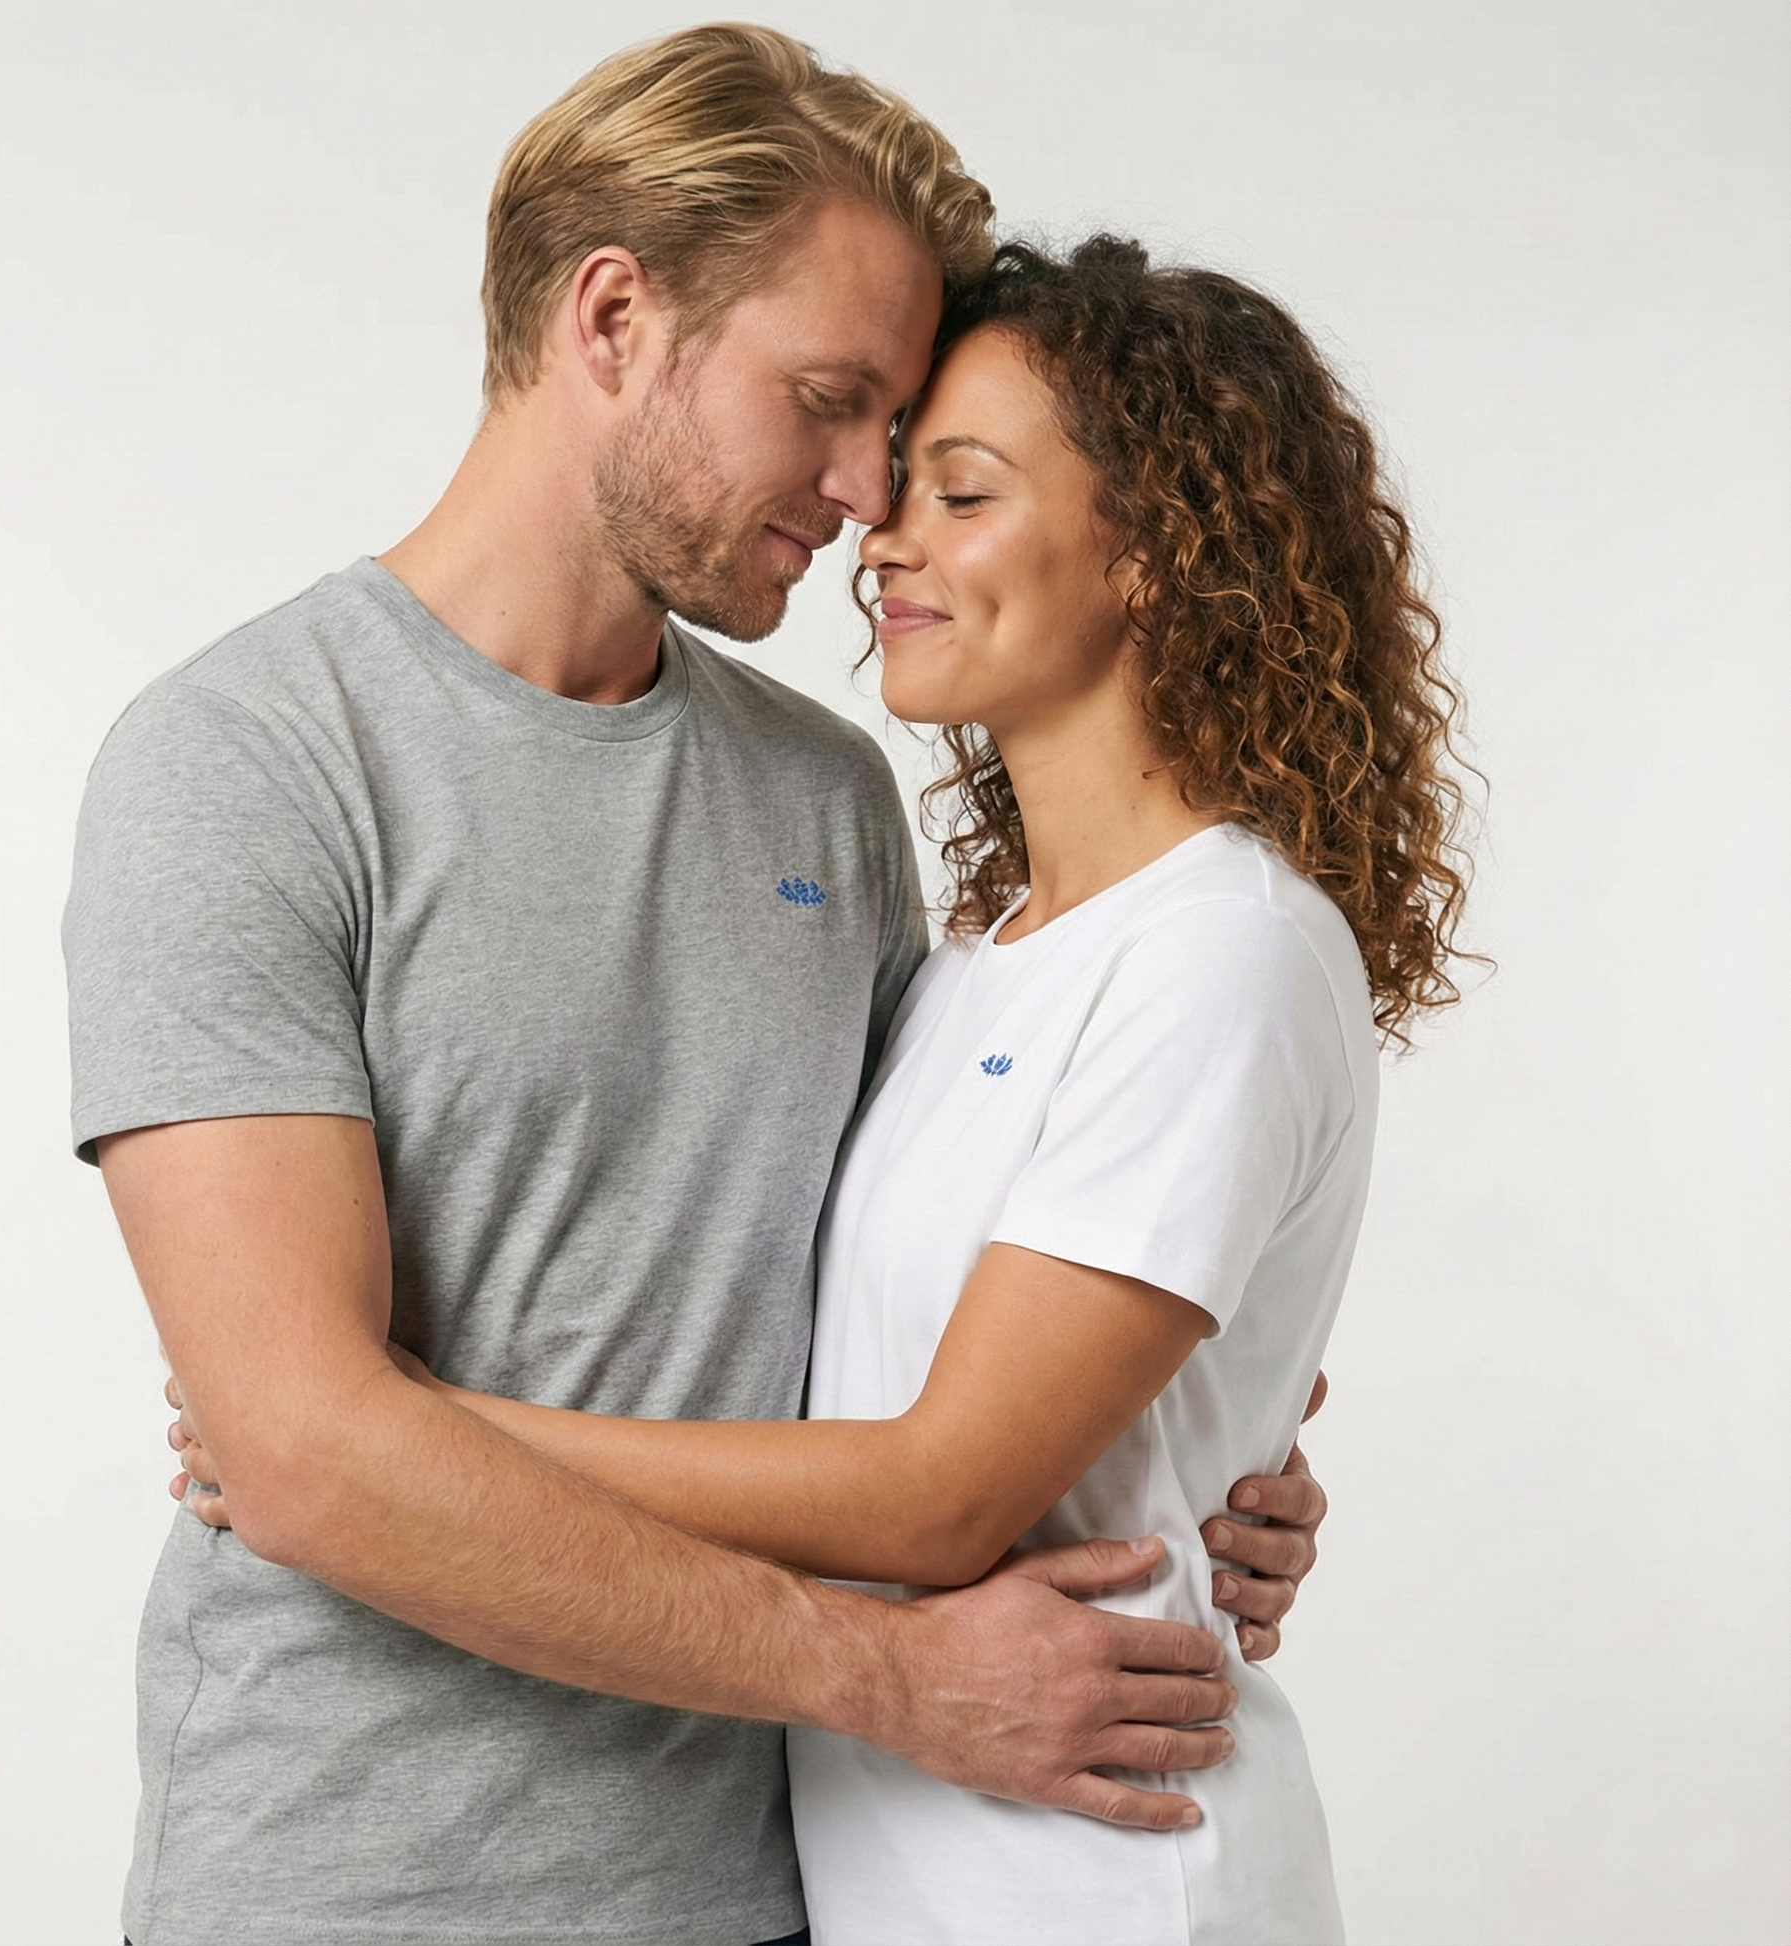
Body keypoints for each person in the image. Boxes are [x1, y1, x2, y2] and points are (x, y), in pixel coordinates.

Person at [68, 26, 1327, 1946]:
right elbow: (304, 1456)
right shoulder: (246, 760)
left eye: (896, 439)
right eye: (825, 402)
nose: (857, 495)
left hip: (767, 1891)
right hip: (356, 1889)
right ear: (611, 318)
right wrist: (889, 1674)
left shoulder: (823, 794)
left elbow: (927, 1269)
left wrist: (1202, 1447)